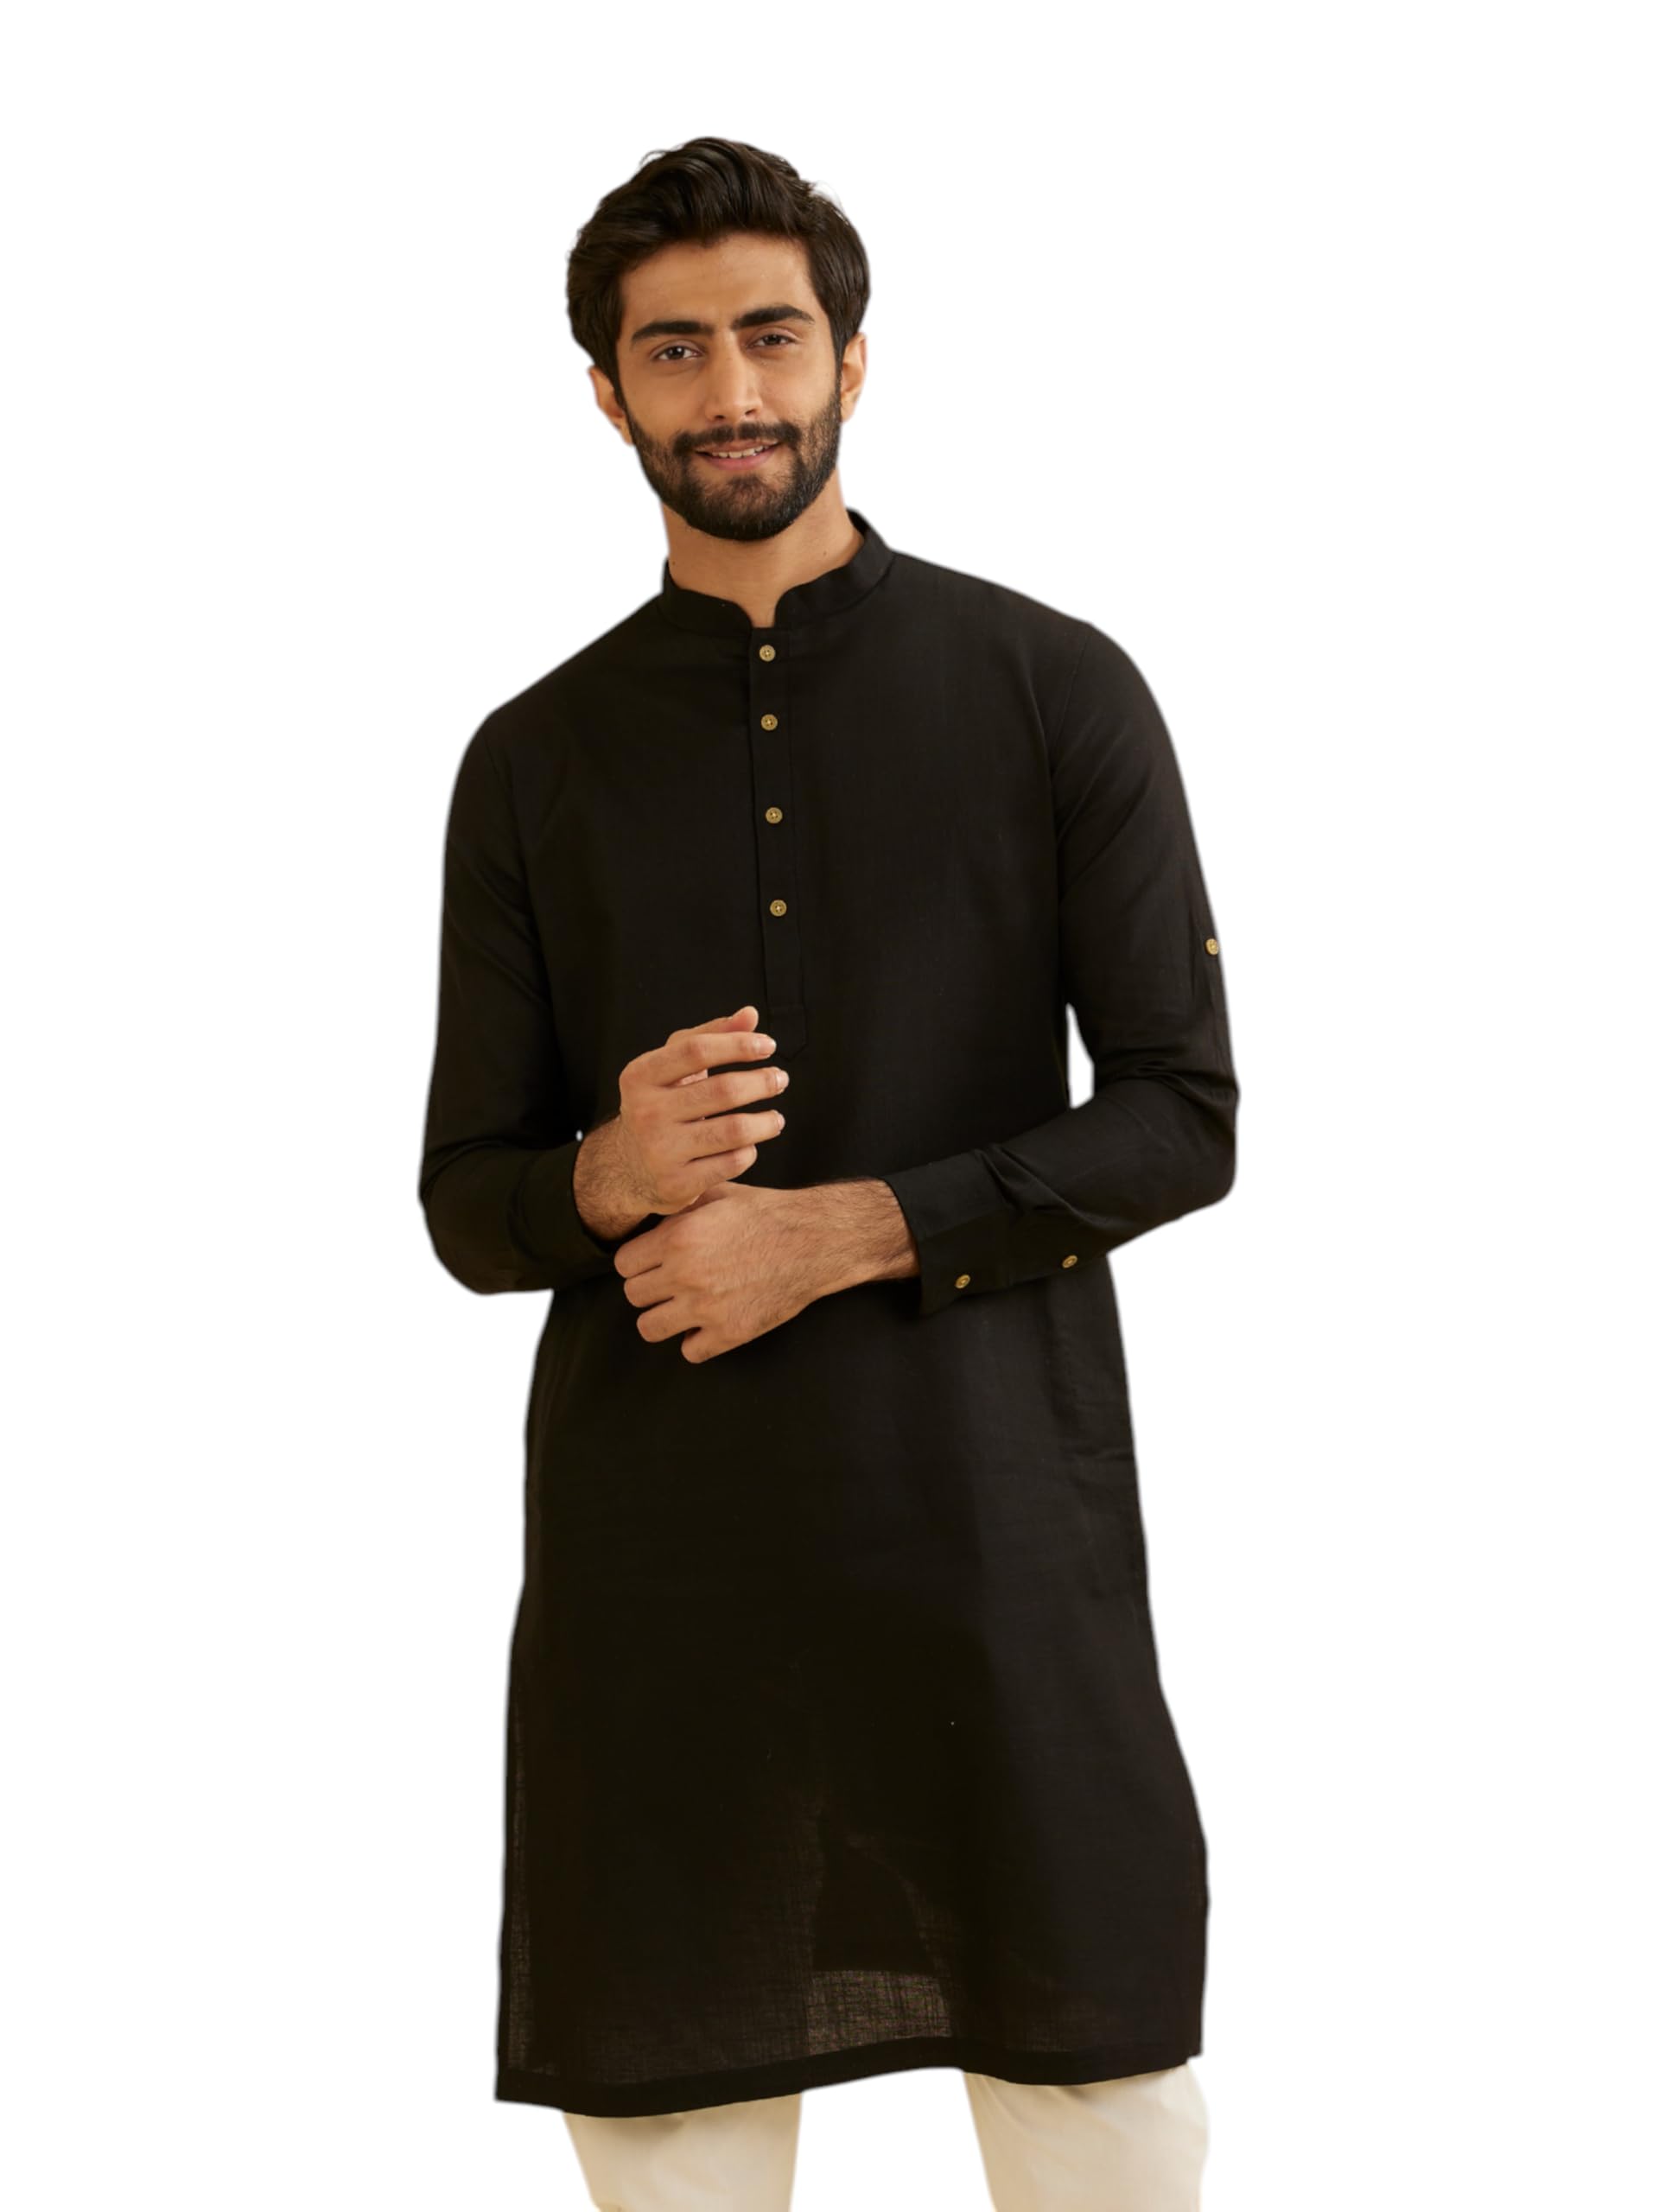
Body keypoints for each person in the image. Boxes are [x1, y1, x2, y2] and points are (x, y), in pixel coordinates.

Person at [419, 135, 1238, 2211]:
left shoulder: (1052, 688)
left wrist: (849, 1232)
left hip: (1000, 1547)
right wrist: (606, 1176)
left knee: (1107, 2117)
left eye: (771, 336)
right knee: (673, 2132)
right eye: (673, 350)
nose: (732, 390)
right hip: (664, 1590)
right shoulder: (535, 758)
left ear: (853, 360)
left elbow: (1183, 1111)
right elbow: (465, 1198)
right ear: (607, 393)